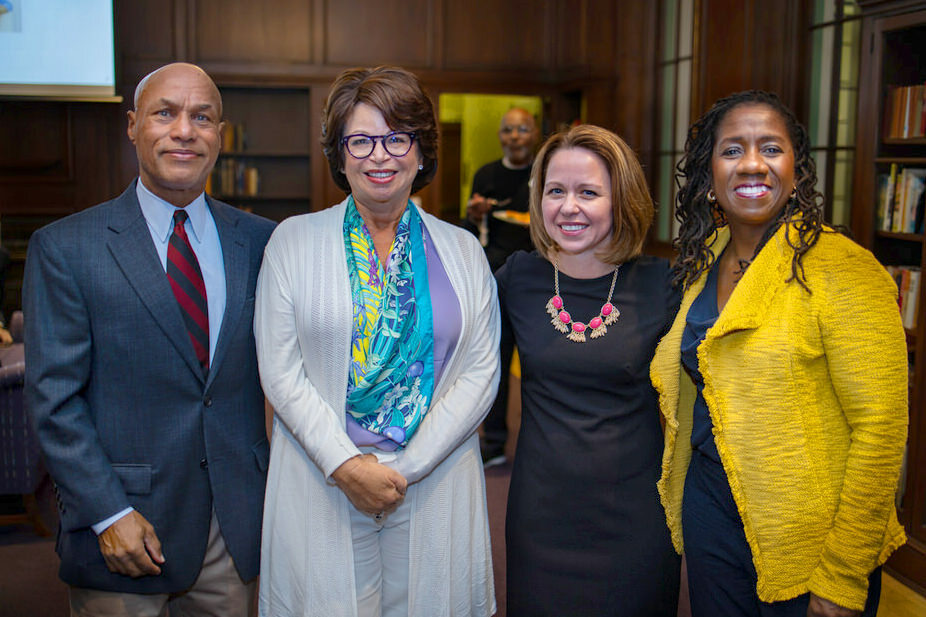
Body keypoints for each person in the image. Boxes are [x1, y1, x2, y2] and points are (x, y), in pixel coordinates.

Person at [24, 63, 275, 616]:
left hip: (230, 528)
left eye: (201, 117)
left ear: (220, 135)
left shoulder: (263, 243)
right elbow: (53, 400)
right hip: (122, 527)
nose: (184, 130)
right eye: (166, 113)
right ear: (134, 125)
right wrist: (108, 514)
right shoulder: (66, 248)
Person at [650, 90, 908, 617]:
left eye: (770, 148)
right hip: (711, 510)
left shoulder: (843, 268)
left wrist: (841, 573)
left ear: (796, 168)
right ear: (707, 174)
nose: (751, 163)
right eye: (731, 150)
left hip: (810, 537)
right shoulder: (704, 260)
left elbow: (881, 430)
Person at [255, 66, 499, 617]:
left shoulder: (464, 251)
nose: (379, 156)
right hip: (325, 478)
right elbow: (280, 371)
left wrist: (402, 468)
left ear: (420, 151)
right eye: (360, 140)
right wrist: (347, 465)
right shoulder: (292, 241)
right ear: (340, 155)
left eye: (396, 138)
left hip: (429, 478)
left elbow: (482, 373)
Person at [498, 124, 681, 616]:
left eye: (589, 192)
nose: (568, 206)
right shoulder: (518, 277)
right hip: (541, 513)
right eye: (555, 191)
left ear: (622, 200)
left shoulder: (664, 285)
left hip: (634, 518)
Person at [463, 107, 540, 467]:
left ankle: (539, 443)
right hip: (496, 277)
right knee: (495, 360)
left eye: (522, 129)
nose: (515, 136)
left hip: (541, 277)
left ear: (535, 132)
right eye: (508, 129)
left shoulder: (546, 171)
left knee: (541, 364)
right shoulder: (487, 174)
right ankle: (493, 444)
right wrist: (474, 213)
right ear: (500, 136)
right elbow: (470, 229)